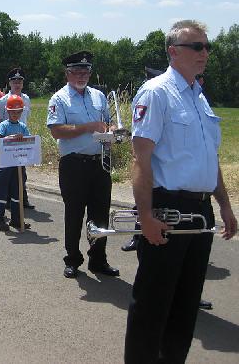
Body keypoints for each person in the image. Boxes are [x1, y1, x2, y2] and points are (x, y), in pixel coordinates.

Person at [124, 20, 237, 364]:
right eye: (197, 47)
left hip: (200, 210)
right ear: (173, 52)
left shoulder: (199, 97)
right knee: (153, 305)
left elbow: (208, 159)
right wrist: (145, 215)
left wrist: (224, 206)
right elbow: (140, 158)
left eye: (207, 47)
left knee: (186, 306)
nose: (205, 53)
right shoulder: (157, 92)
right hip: (167, 208)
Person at [47, 51, 119, 279]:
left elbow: (108, 122)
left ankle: (98, 260)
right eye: (77, 72)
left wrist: (112, 130)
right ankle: (72, 260)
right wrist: (87, 127)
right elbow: (56, 130)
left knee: (100, 214)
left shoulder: (99, 96)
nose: (81, 76)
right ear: (67, 74)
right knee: (74, 214)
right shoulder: (59, 98)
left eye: (85, 72)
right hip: (74, 165)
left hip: (99, 163)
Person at [0, 68, 34, 209]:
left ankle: (22, 199)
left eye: (20, 82)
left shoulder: (26, 99)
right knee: (6, 174)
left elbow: (26, 119)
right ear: (10, 83)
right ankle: (6, 200)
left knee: (21, 173)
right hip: (7, 143)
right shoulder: (3, 101)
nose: (17, 84)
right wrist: (6, 138)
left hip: (21, 142)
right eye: (14, 82)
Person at [0, 95, 31, 231]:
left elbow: (30, 143)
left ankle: (16, 219)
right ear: (8, 111)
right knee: (2, 193)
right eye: (12, 112)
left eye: (18, 112)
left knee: (17, 193)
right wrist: (8, 138)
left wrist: (24, 139)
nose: (15, 114)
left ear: (22, 112)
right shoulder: (3, 125)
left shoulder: (23, 127)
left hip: (18, 165)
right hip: (5, 165)